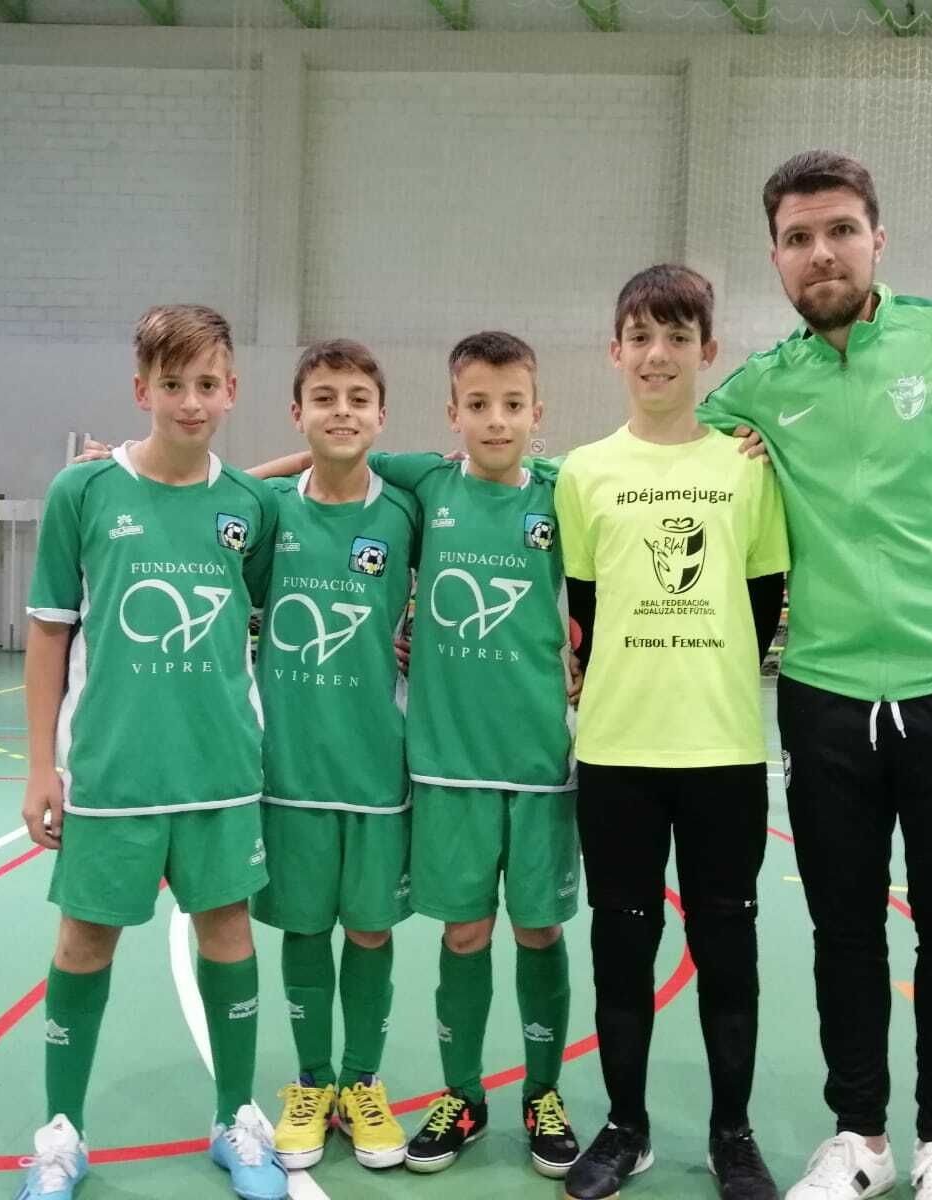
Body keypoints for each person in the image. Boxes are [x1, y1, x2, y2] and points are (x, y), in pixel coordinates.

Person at [699, 150, 932, 1200]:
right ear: (774, 256)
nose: (818, 252)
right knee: (841, 928)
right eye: (796, 237)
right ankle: (858, 1137)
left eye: (838, 230)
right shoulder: (761, 390)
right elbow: (653, 462)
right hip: (824, 695)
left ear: (878, 239)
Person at [249, 331, 585, 1181]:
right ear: (451, 415)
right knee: (463, 932)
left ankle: (543, 1093)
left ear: (538, 415)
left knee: (538, 930)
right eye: (479, 405)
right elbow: (330, 449)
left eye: (513, 405)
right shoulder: (424, 485)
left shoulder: (566, 494)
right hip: (440, 764)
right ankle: (461, 1092)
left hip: (544, 764)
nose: (497, 420)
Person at [18, 304, 287, 1200]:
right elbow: (50, 635)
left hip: (219, 768)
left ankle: (234, 1121)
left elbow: (264, 570)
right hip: (110, 771)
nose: (190, 401)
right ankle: (62, 1134)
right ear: (141, 389)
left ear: (231, 390)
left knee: (227, 932)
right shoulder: (82, 494)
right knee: (84, 939)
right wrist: (37, 767)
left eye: (207, 384)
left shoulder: (247, 507)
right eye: (172, 385)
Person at [554, 265, 790, 1200]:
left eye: (678, 337)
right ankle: (625, 1125)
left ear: (708, 352)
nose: (658, 354)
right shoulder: (584, 471)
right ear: (616, 352)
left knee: (728, 942)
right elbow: (581, 603)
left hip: (722, 749)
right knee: (621, 941)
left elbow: (765, 596)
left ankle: (733, 1133)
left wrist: (709, 666)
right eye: (641, 337)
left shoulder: (746, 465)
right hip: (616, 750)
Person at [251, 340, 421, 1174]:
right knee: (305, 927)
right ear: (297, 412)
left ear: (381, 417)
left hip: (377, 767)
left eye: (358, 398)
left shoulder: (406, 508)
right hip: (290, 769)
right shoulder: (271, 509)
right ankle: (311, 1081)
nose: (342, 411)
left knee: (371, 930)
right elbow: (207, 495)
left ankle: (363, 1080)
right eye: (323, 398)